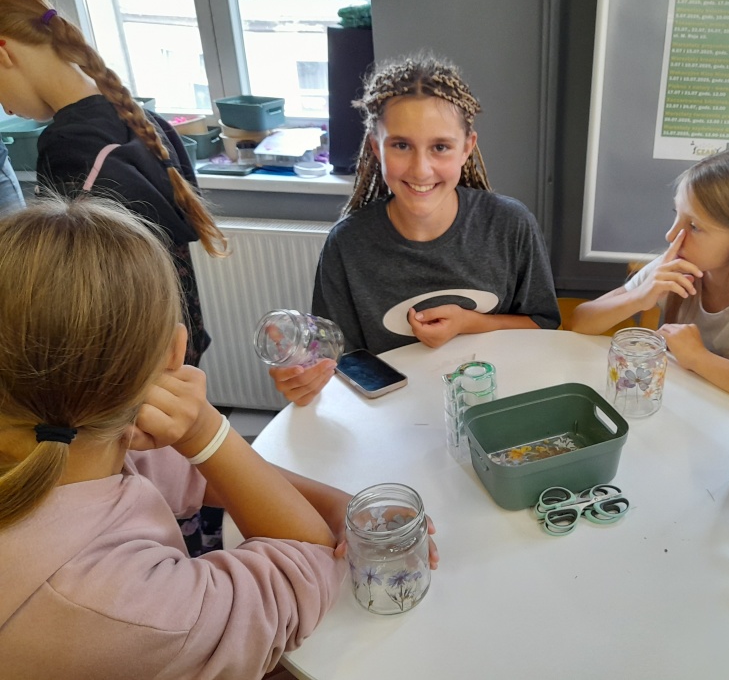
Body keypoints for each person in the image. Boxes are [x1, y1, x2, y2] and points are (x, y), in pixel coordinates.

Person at [0, 198, 437, 678]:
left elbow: (187, 472)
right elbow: (306, 564)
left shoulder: (73, 447)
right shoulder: (130, 610)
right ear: (175, 351)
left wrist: (339, 505)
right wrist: (205, 429)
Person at [272, 55, 561, 406]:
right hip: (389, 416)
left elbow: (543, 326)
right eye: (401, 145)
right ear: (376, 147)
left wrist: (469, 322)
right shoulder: (347, 245)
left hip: (497, 404)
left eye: (440, 147)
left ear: (467, 148)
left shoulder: (510, 225)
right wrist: (306, 381)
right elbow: (336, 364)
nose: (421, 170)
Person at [0, 0, 225, 366]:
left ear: (3, 51)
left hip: (130, 359)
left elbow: (77, 289)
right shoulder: (138, 117)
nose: (5, 107)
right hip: (176, 339)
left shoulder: (70, 148)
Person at [569, 145, 729, 417]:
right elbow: (580, 322)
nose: (671, 236)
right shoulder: (677, 266)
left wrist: (698, 359)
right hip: (689, 414)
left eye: (694, 226)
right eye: (676, 214)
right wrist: (638, 297)